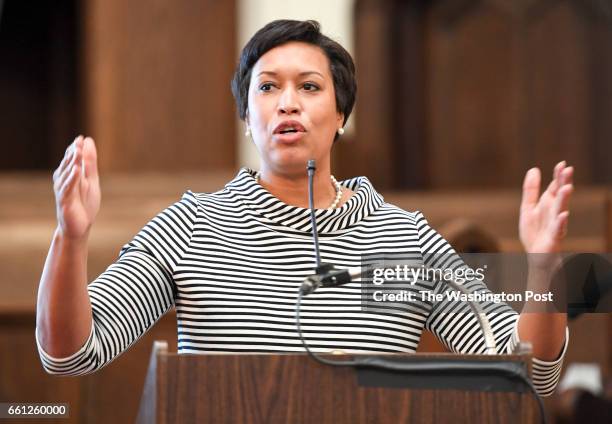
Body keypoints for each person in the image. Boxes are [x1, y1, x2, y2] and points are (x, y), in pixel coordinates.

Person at [36, 20, 572, 397]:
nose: (287, 102)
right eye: (267, 87)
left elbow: (524, 368)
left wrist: (544, 266)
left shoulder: (402, 238)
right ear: (247, 118)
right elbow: (72, 353)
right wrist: (71, 238)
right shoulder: (192, 225)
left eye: (309, 87)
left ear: (341, 115)